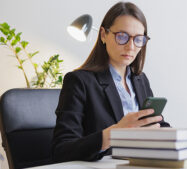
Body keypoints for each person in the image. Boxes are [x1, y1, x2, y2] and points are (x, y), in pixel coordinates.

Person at [52, 2, 170, 162]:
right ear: (103, 35)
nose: (130, 47)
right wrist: (114, 133)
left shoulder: (140, 80)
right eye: (122, 36)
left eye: (138, 39)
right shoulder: (79, 81)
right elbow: (62, 149)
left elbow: (157, 123)